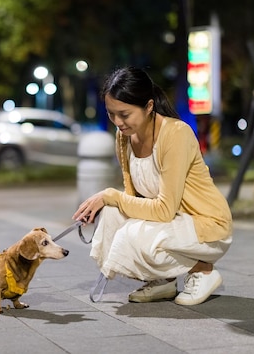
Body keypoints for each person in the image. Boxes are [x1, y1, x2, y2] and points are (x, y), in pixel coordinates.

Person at [73, 66, 232, 306]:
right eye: (111, 114)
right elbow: (133, 197)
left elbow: (164, 210)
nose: (118, 122)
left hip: (206, 226)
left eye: (124, 114)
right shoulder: (123, 137)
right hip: (170, 225)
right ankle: (164, 280)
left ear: (148, 107)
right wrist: (108, 204)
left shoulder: (175, 134)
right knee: (112, 218)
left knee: (130, 234)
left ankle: (204, 271)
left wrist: (109, 195)